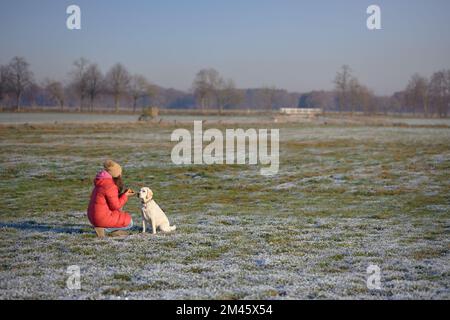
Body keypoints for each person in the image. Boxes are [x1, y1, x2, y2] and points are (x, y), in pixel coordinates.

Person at [87, 160, 135, 238]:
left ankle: (107, 229)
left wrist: (123, 194)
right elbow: (115, 206)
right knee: (130, 222)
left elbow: (109, 201)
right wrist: (125, 196)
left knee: (121, 216)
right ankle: (105, 229)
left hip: (93, 216)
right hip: (101, 218)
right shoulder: (110, 186)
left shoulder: (101, 182)